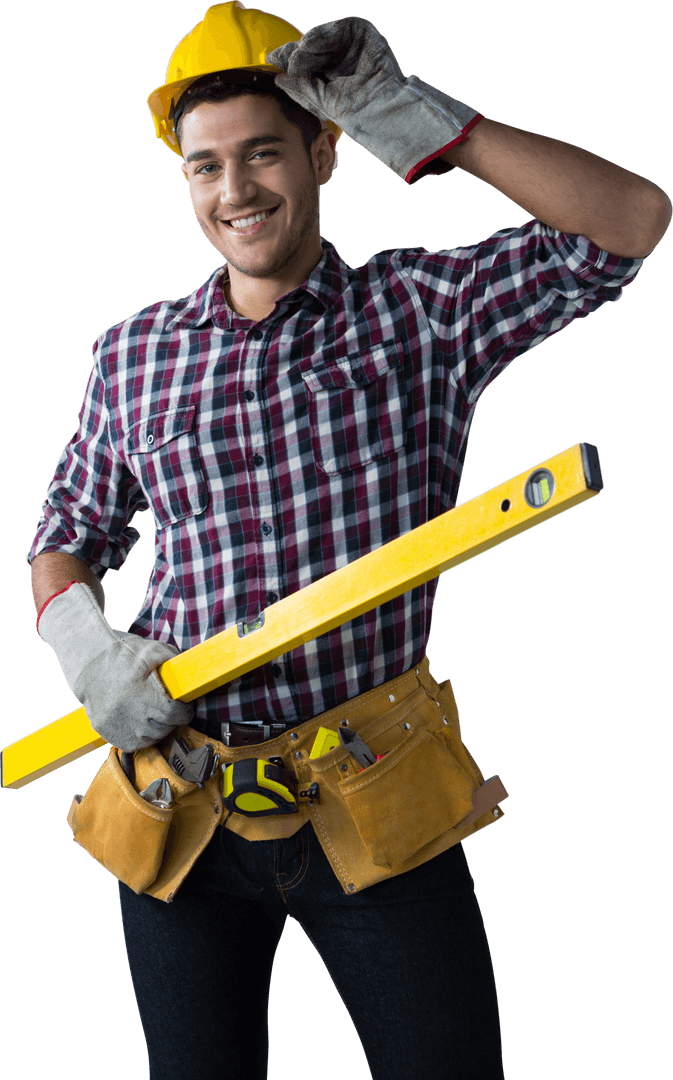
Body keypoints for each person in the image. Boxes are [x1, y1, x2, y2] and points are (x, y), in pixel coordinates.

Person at [27, 4, 670, 1079]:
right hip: (177, 802)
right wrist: (88, 651)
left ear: (326, 148)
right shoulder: (133, 354)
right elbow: (65, 534)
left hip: (374, 792)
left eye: (264, 153)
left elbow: (628, 224)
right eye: (204, 168)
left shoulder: (418, 313)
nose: (234, 192)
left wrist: (418, 118)